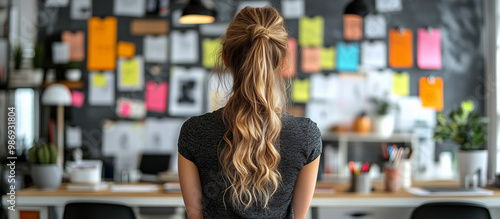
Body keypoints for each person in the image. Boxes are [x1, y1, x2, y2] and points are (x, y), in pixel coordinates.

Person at [178, 6, 322, 219]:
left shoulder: (194, 132)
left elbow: (194, 213)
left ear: (226, 58)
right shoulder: (306, 135)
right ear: (282, 61)